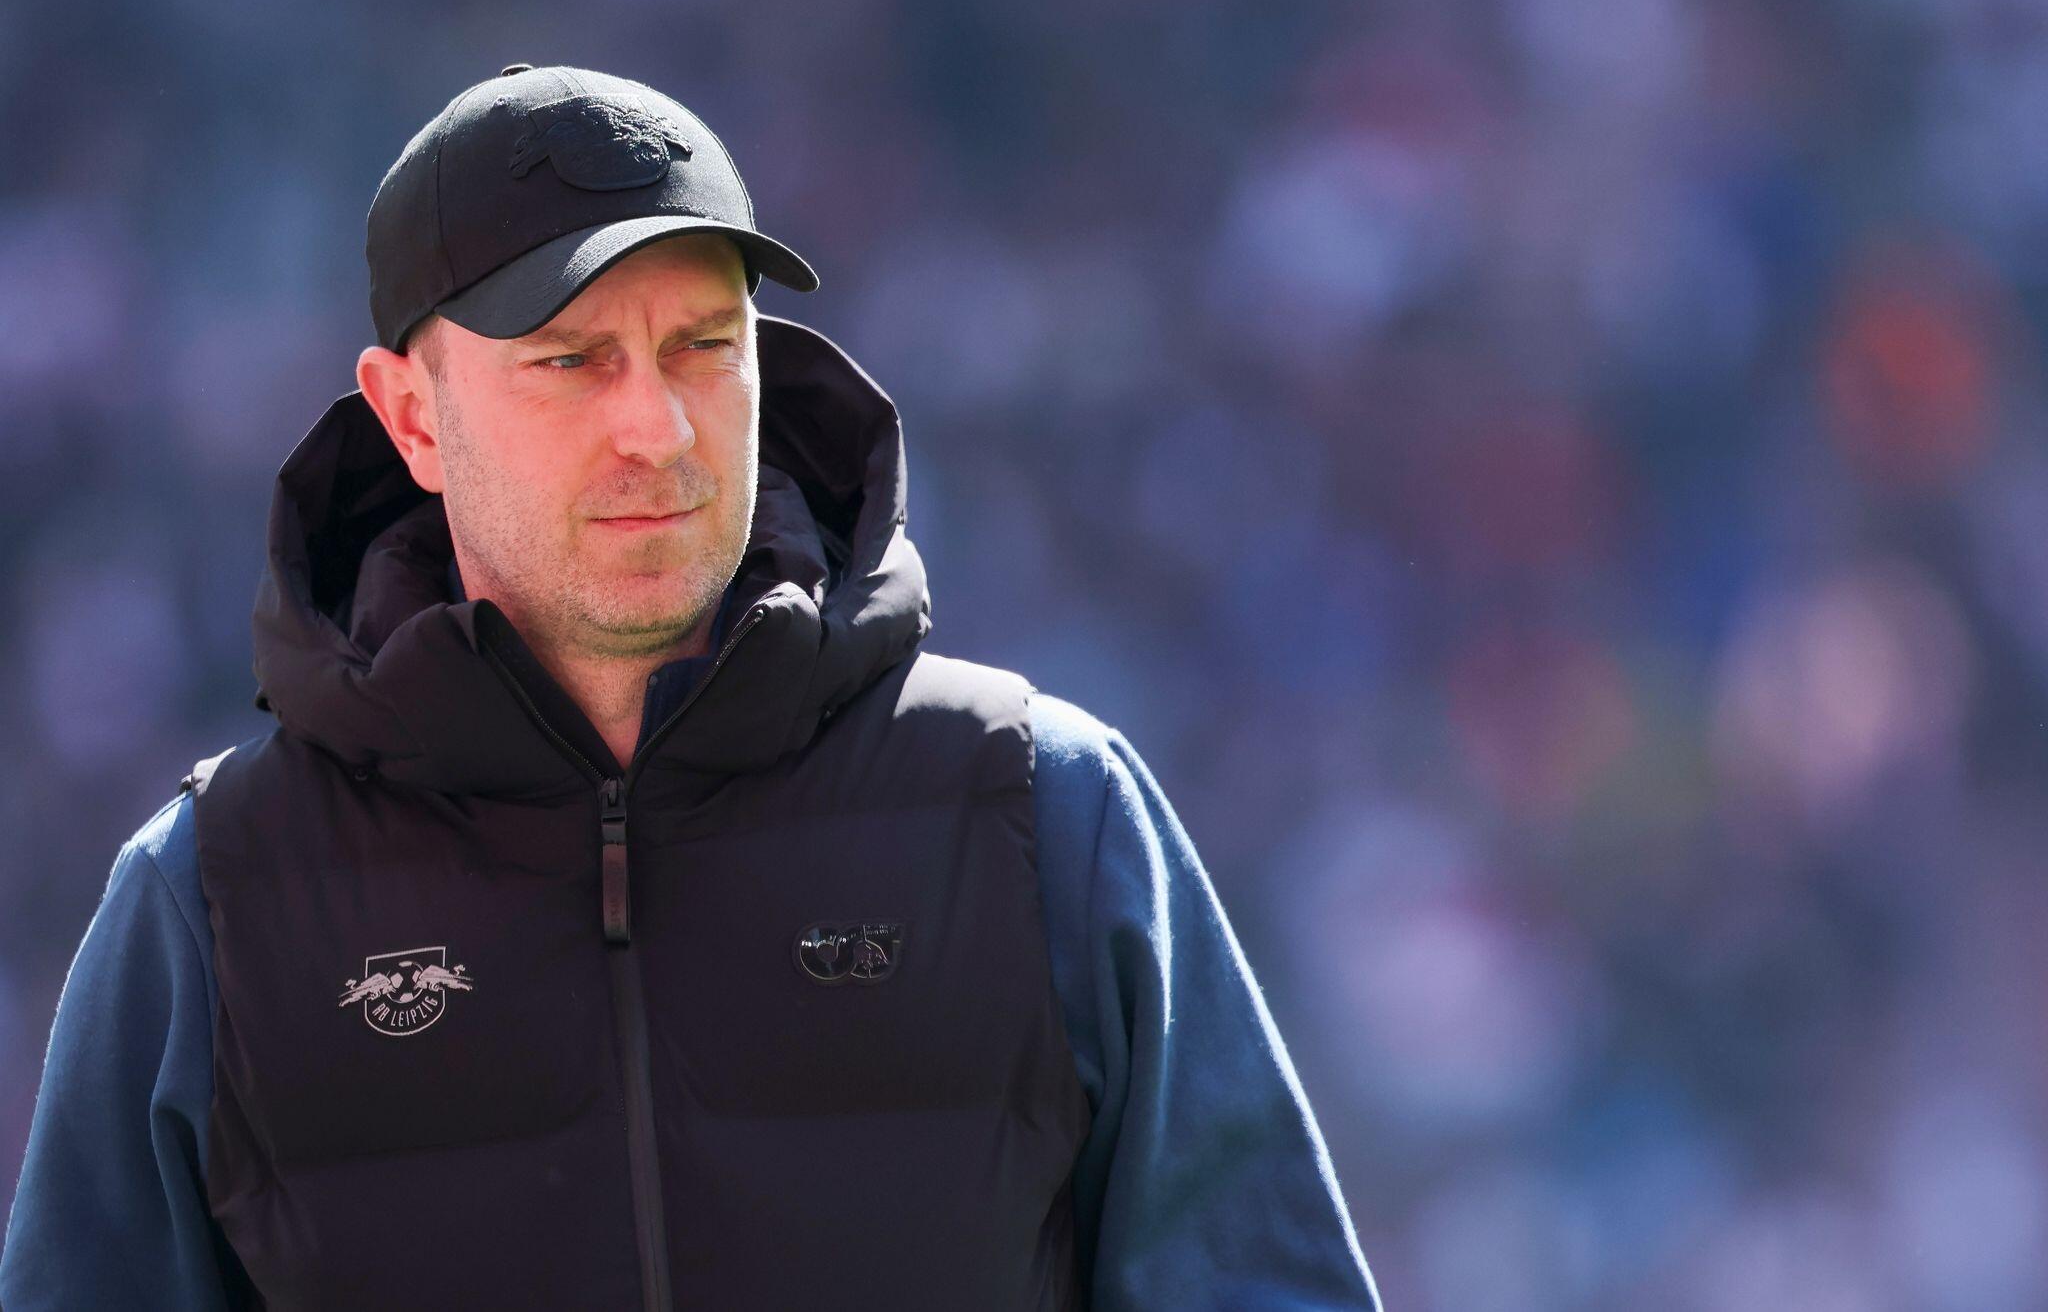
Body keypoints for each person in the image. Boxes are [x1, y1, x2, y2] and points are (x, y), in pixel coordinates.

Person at [0, 64, 1380, 1311]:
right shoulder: (209, 900)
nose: (657, 428)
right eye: (572, 360)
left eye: (704, 346)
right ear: (413, 415)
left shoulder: (1049, 813)